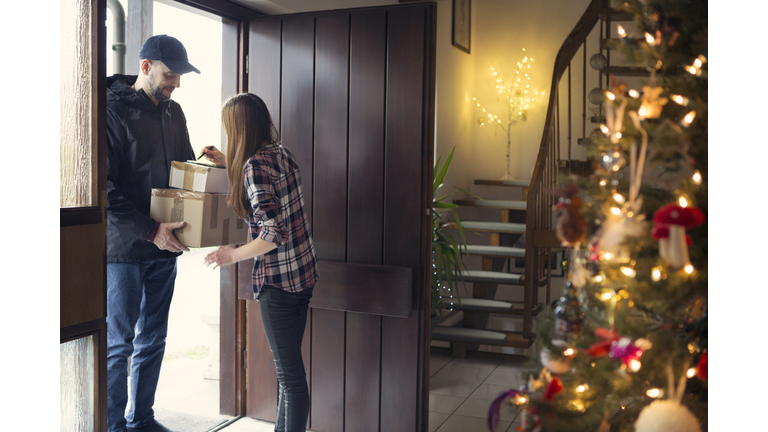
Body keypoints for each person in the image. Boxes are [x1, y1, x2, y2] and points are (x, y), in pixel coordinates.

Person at [203, 93, 317, 432]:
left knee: (291, 380)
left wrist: (231, 255)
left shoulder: (254, 167)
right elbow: (267, 189)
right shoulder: (281, 154)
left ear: (238, 128)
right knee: (288, 376)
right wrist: (228, 162)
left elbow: (271, 233)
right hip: (303, 275)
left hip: (279, 284)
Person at [105, 34, 200, 432]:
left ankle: (141, 418)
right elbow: (102, 191)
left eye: (179, 76)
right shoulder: (111, 111)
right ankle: (111, 425)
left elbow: (186, 168)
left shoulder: (174, 113)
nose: (175, 82)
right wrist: (150, 231)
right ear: (145, 67)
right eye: (169, 74)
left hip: (167, 247)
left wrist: (206, 171)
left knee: (154, 339)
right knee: (119, 344)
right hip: (125, 250)